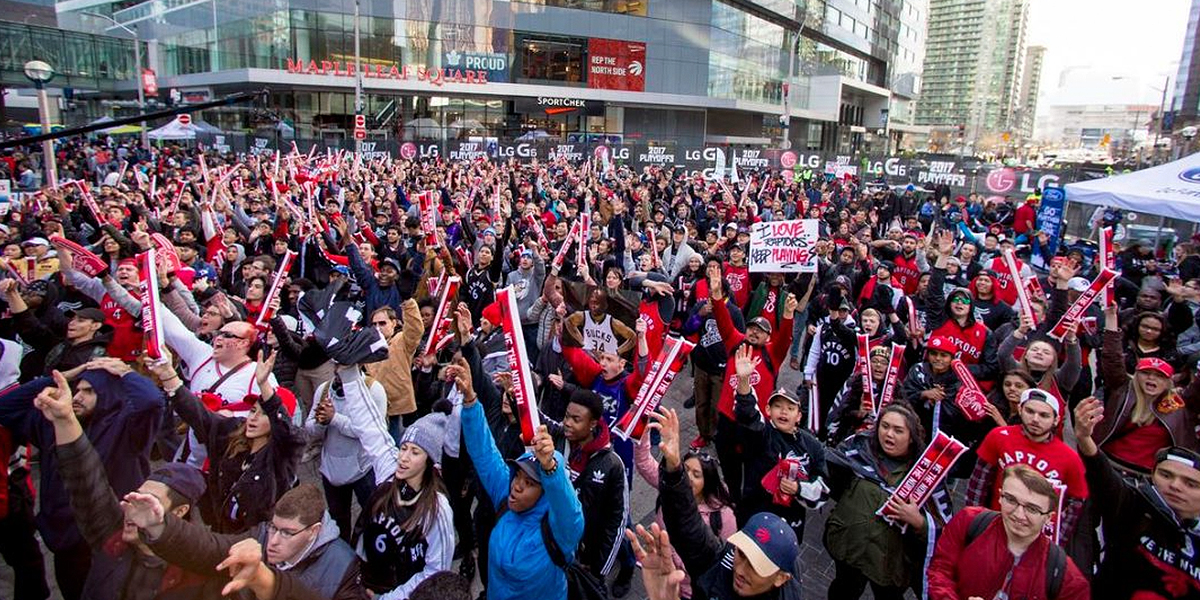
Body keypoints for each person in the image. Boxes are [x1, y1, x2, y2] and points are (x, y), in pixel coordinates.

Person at [0, 359, 163, 600]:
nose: (77, 397)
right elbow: (4, 407)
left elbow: (151, 401)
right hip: (63, 538)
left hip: (109, 538)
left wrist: (127, 374)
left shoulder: (127, 429)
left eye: (89, 392)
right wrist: (61, 377)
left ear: (109, 395)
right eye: (76, 390)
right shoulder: (53, 424)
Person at [459, 353, 586, 600]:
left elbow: (570, 510)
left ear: (545, 492)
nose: (517, 487)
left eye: (529, 484)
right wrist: (470, 400)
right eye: (518, 476)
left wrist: (550, 468)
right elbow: (484, 453)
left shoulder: (559, 531)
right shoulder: (505, 498)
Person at [650, 405, 804, 600]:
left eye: (756, 566)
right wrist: (673, 469)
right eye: (741, 554)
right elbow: (690, 529)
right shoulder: (722, 563)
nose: (740, 570)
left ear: (781, 578)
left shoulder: (724, 515)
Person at [146, 350, 303, 534]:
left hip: (253, 540)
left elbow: (288, 432)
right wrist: (169, 377)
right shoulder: (235, 432)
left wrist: (263, 386)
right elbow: (200, 416)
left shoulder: (283, 455)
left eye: (264, 414)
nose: (253, 418)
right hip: (221, 527)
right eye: (253, 411)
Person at [1074, 397, 1200, 599]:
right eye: (1166, 475)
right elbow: (1105, 478)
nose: (1175, 486)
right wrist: (1084, 439)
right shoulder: (1133, 506)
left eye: (1191, 483)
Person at [823, 403, 946, 599]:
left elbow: (945, 527)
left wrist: (919, 522)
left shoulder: (925, 474)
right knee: (843, 591)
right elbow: (829, 474)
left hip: (889, 564)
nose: (889, 434)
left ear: (912, 437)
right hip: (849, 547)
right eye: (885, 426)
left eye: (898, 430)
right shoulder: (857, 448)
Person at [928, 464, 1091, 599]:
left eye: (1032, 509)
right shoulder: (969, 521)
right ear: (1000, 496)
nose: (1019, 515)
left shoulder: (1066, 577)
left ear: (1049, 517)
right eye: (1011, 500)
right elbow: (940, 570)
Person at [358, 409, 456, 599]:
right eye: (403, 448)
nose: (404, 457)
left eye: (415, 452)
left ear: (429, 460)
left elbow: (436, 572)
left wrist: (388, 598)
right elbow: (369, 427)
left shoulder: (438, 508)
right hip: (369, 583)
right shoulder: (390, 476)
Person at [732, 345, 829, 538]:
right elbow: (748, 415)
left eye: (790, 408)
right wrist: (743, 381)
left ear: (799, 416)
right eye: (778, 406)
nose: (783, 412)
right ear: (768, 411)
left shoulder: (813, 446)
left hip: (789, 525)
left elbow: (823, 489)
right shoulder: (763, 434)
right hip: (754, 517)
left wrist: (799, 488)